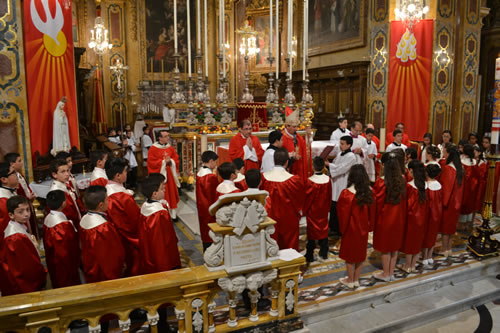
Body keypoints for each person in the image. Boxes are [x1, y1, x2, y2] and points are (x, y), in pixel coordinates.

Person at [337, 165, 375, 289]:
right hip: (363, 229)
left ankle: (350, 279)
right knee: (360, 255)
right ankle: (356, 280)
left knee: (349, 256)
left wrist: (342, 230)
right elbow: (372, 212)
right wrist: (369, 227)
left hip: (350, 229)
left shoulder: (347, 193)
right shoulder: (369, 192)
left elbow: (343, 214)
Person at [0, 196, 46, 295]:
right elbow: (26, 265)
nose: (26, 214)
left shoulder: (19, 226)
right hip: (25, 282)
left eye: (28, 209)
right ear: (11, 215)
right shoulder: (15, 237)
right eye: (21, 212)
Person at [80, 185, 126, 283]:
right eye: (107, 199)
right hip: (105, 271)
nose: (109, 201)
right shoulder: (102, 227)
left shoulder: (83, 220)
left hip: (91, 265)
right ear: (101, 205)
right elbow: (112, 252)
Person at [372, 152, 407, 282]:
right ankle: (391, 272)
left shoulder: (382, 182)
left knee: (386, 248)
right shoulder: (402, 179)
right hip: (398, 217)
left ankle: (386, 274)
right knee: (394, 246)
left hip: (385, 218)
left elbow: (378, 203)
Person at [261, 148, 304, 250]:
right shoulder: (293, 180)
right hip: (288, 218)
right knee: (289, 247)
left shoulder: (264, 177)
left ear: (274, 161)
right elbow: (299, 199)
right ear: (287, 162)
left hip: (269, 217)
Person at [105, 157, 141, 276]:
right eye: (125, 171)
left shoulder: (106, 190)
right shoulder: (122, 198)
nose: (127, 173)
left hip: (114, 239)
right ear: (118, 176)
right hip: (128, 241)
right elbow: (134, 221)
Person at [139, 173, 181, 274]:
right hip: (163, 253)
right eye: (162, 189)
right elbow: (165, 239)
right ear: (154, 194)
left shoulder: (144, 206)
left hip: (150, 251)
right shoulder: (160, 214)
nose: (165, 190)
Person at [43, 190, 80, 288]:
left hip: (53, 259)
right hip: (64, 263)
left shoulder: (48, 218)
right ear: (64, 203)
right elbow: (65, 251)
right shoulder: (62, 225)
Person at [399, 160, 428, 273]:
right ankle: (413, 265)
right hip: (422, 217)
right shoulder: (424, 185)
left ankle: (407, 265)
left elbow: (408, 204)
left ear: (411, 170)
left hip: (411, 218)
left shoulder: (410, 186)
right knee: (417, 241)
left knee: (409, 241)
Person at [326, 135, 356, 235]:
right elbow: (335, 164)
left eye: (342, 144)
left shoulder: (351, 156)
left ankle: (339, 229)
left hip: (343, 182)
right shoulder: (339, 154)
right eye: (340, 143)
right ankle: (333, 227)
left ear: (349, 145)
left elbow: (341, 169)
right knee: (333, 205)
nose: (340, 145)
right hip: (336, 182)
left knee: (340, 206)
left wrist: (328, 165)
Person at [147, 129, 181, 219]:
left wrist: (171, 161)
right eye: (165, 136)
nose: (168, 138)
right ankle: (163, 213)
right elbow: (151, 162)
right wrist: (163, 162)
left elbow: (176, 159)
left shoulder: (170, 148)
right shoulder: (153, 149)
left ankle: (173, 214)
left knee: (171, 194)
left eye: (168, 136)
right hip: (160, 176)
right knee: (162, 193)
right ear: (159, 138)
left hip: (170, 175)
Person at [304, 157, 332, 263]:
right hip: (323, 209)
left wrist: (304, 210)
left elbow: (308, 198)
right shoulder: (328, 179)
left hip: (313, 211)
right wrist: (328, 207)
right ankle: (324, 252)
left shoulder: (310, 181)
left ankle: (310, 254)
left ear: (313, 166)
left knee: (312, 232)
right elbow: (329, 195)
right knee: (324, 230)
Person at [439, 145, 464, 257]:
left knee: (445, 228)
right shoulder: (460, 168)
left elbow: (447, 188)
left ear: (449, 154)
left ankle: (444, 249)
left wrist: (443, 203)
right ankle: (449, 248)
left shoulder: (449, 169)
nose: (443, 153)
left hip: (449, 202)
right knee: (451, 227)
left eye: (444, 151)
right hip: (457, 202)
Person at [196, 151, 220, 251]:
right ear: (210, 161)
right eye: (215, 162)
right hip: (210, 210)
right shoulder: (210, 177)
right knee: (211, 234)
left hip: (202, 208)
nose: (216, 164)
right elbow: (214, 196)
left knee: (205, 232)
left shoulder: (199, 174)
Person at [49, 159, 82, 228]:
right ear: (54, 174)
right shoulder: (57, 191)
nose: (67, 174)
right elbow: (68, 214)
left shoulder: (64, 184)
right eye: (63, 172)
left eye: (68, 170)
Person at [282, 109, 312, 181]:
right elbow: (278, 155)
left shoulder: (298, 137)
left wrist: (308, 136)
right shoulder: (282, 138)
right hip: (288, 169)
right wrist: (289, 156)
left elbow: (306, 148)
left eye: (297, 126)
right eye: (294, 127)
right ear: (287, 126)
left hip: (299, 168)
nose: (296, 129)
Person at [422, 164, 442, 266]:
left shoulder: (426, 186)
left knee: (426, 235)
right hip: (437, 214)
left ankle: (425, 256)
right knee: (433, 234)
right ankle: (430, 256)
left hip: (428, 214)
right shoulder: (439, 185)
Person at [459, 144, 478, 232]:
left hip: (464, 187)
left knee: (463, 203)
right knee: (470, 204)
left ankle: (461, 225)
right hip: (473, 187)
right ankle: (468, 223)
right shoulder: (474, 162)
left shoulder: (462, 161)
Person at [0, 162, 18, 239]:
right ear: (4, 179)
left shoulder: (11, 192)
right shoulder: (3, 201)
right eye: (13, 172)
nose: (17, 175)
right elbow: (6, 227)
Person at [474, 146, 487, 214]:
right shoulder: (471, 160)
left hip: (479, 183)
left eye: (475, 152)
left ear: (479, 153)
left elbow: (482, 175)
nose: (473, 153)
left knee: (478, 198)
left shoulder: (482, 163)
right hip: (473, 182)